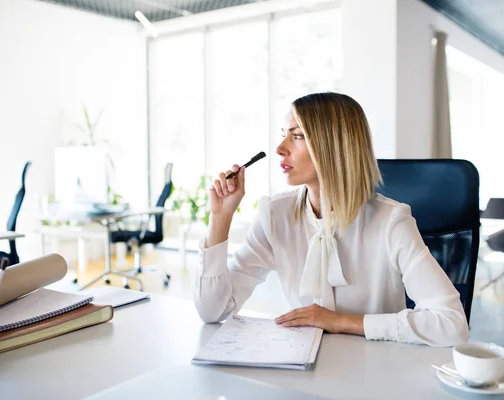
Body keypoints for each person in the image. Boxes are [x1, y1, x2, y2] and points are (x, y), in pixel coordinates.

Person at [194, 92, 468, 347]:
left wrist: (340, 321)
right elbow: (212, 311)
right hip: (303, 370)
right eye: (283, 135)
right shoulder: (274, 215)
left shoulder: (391, 222)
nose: (280, 148)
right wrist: (220, 217)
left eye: (297, 136)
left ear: (335, 146)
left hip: (376, 373)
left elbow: (452, 323)